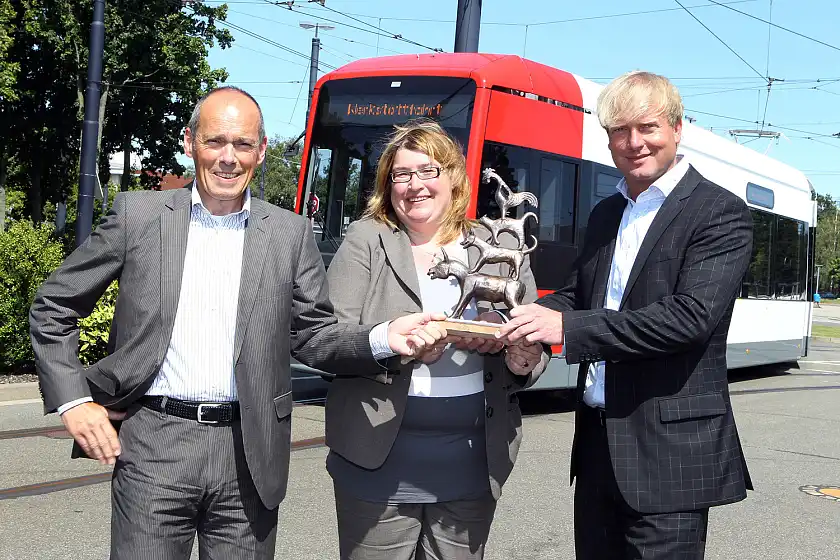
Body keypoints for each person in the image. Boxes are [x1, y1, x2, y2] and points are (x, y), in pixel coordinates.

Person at [29, 86, 445, 560]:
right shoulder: (137, 216)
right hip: (154, 446)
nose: (228, 158)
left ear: (261, 151)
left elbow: (313, 335)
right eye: (215, 141)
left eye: (243, 144)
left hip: (250, 453)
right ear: (190, 142)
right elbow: (53, 307)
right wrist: (74, 401)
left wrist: (383, 339)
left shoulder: (289, 233)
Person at [498, 71, 754, 559]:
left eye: (648, 127)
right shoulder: (606, 213)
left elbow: (689, 317)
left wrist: (565, 328)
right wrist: (522, 320)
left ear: (677, 128)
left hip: (669, 455)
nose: (634, 143)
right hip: (597, 445)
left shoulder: (719, 212)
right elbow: (577, 296)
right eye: (620, 130)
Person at [322, 120, 550, 560]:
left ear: (454, 178)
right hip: (375, 460)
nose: (415, 185)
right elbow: (328, 339)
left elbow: (533, 340)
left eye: (428, 171)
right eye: (401, 174)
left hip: (471, 463)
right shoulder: (367, 239)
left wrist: (521, 356)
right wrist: (389, 342)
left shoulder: (500, 241)